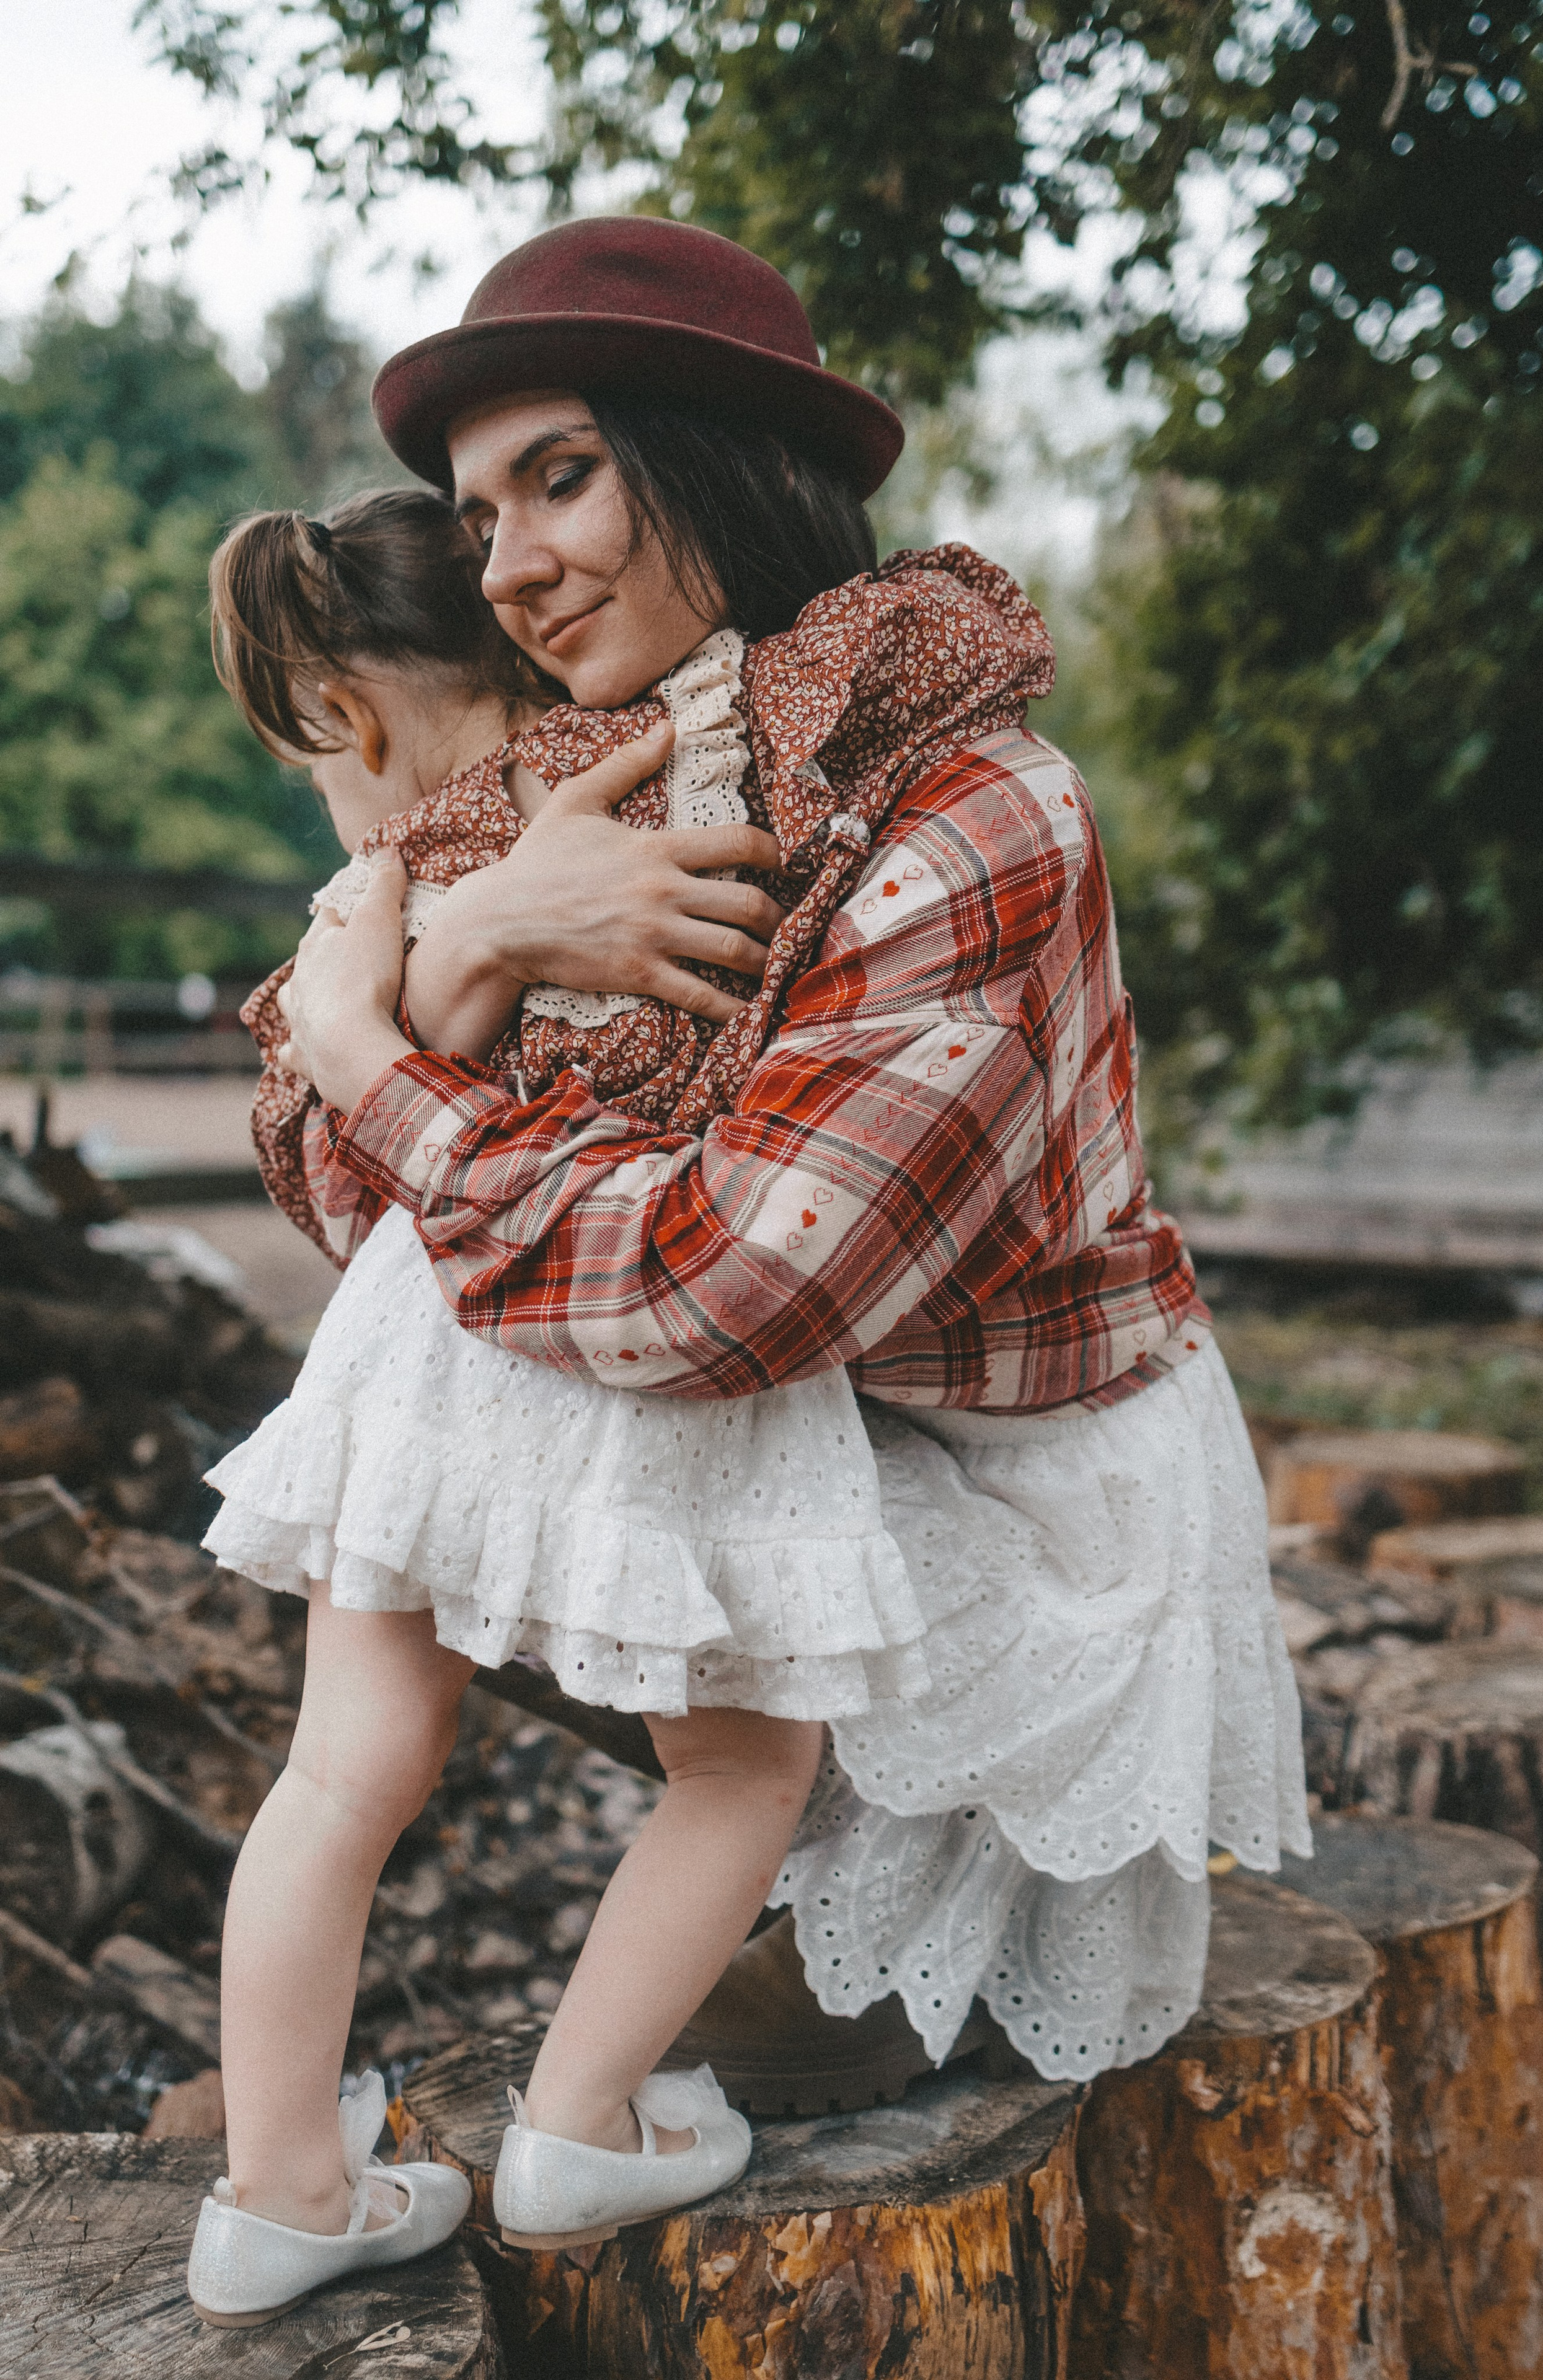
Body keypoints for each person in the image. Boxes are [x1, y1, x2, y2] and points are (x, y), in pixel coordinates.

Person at [229, 216, 1311, 2300]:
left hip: (1003, 1498)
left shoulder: (971, 805)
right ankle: (549, 2093)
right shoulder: (565, 783)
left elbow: (721, 1297)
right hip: (748, 1449)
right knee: (464, 1669)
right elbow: (343, 1203)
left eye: (565, 476)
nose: (509, 566)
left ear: (722, 457)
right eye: (476, 515)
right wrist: (462, 954)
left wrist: (381, 1042)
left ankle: (651, 2059)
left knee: (923, 2064)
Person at [187, 464, 1041, 2311]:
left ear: (356, 710)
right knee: (740, 1760)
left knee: (343, 1768)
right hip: (628, 1309)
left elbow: (312, 1099)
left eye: (325, 762)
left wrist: (425, 966)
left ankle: (276, 2191)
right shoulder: (707, 745)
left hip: (436, 1316)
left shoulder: (391, 883)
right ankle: (583, 2119)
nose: (340, 814)